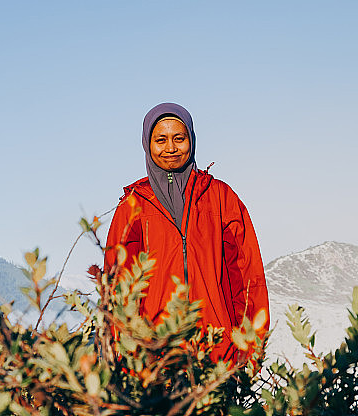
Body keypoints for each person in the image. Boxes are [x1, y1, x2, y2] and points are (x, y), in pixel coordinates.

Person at [104, 102, 270, 364]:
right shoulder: (133, 206)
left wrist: (250, 349)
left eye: (179, 138)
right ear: (147, 144)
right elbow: (118, 289)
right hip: (154, 356)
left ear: (191, 140)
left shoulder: (220, 198)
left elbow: (248, 279)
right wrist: (123, 357)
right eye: (161, 140)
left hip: (217, 352)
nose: (170, 148)